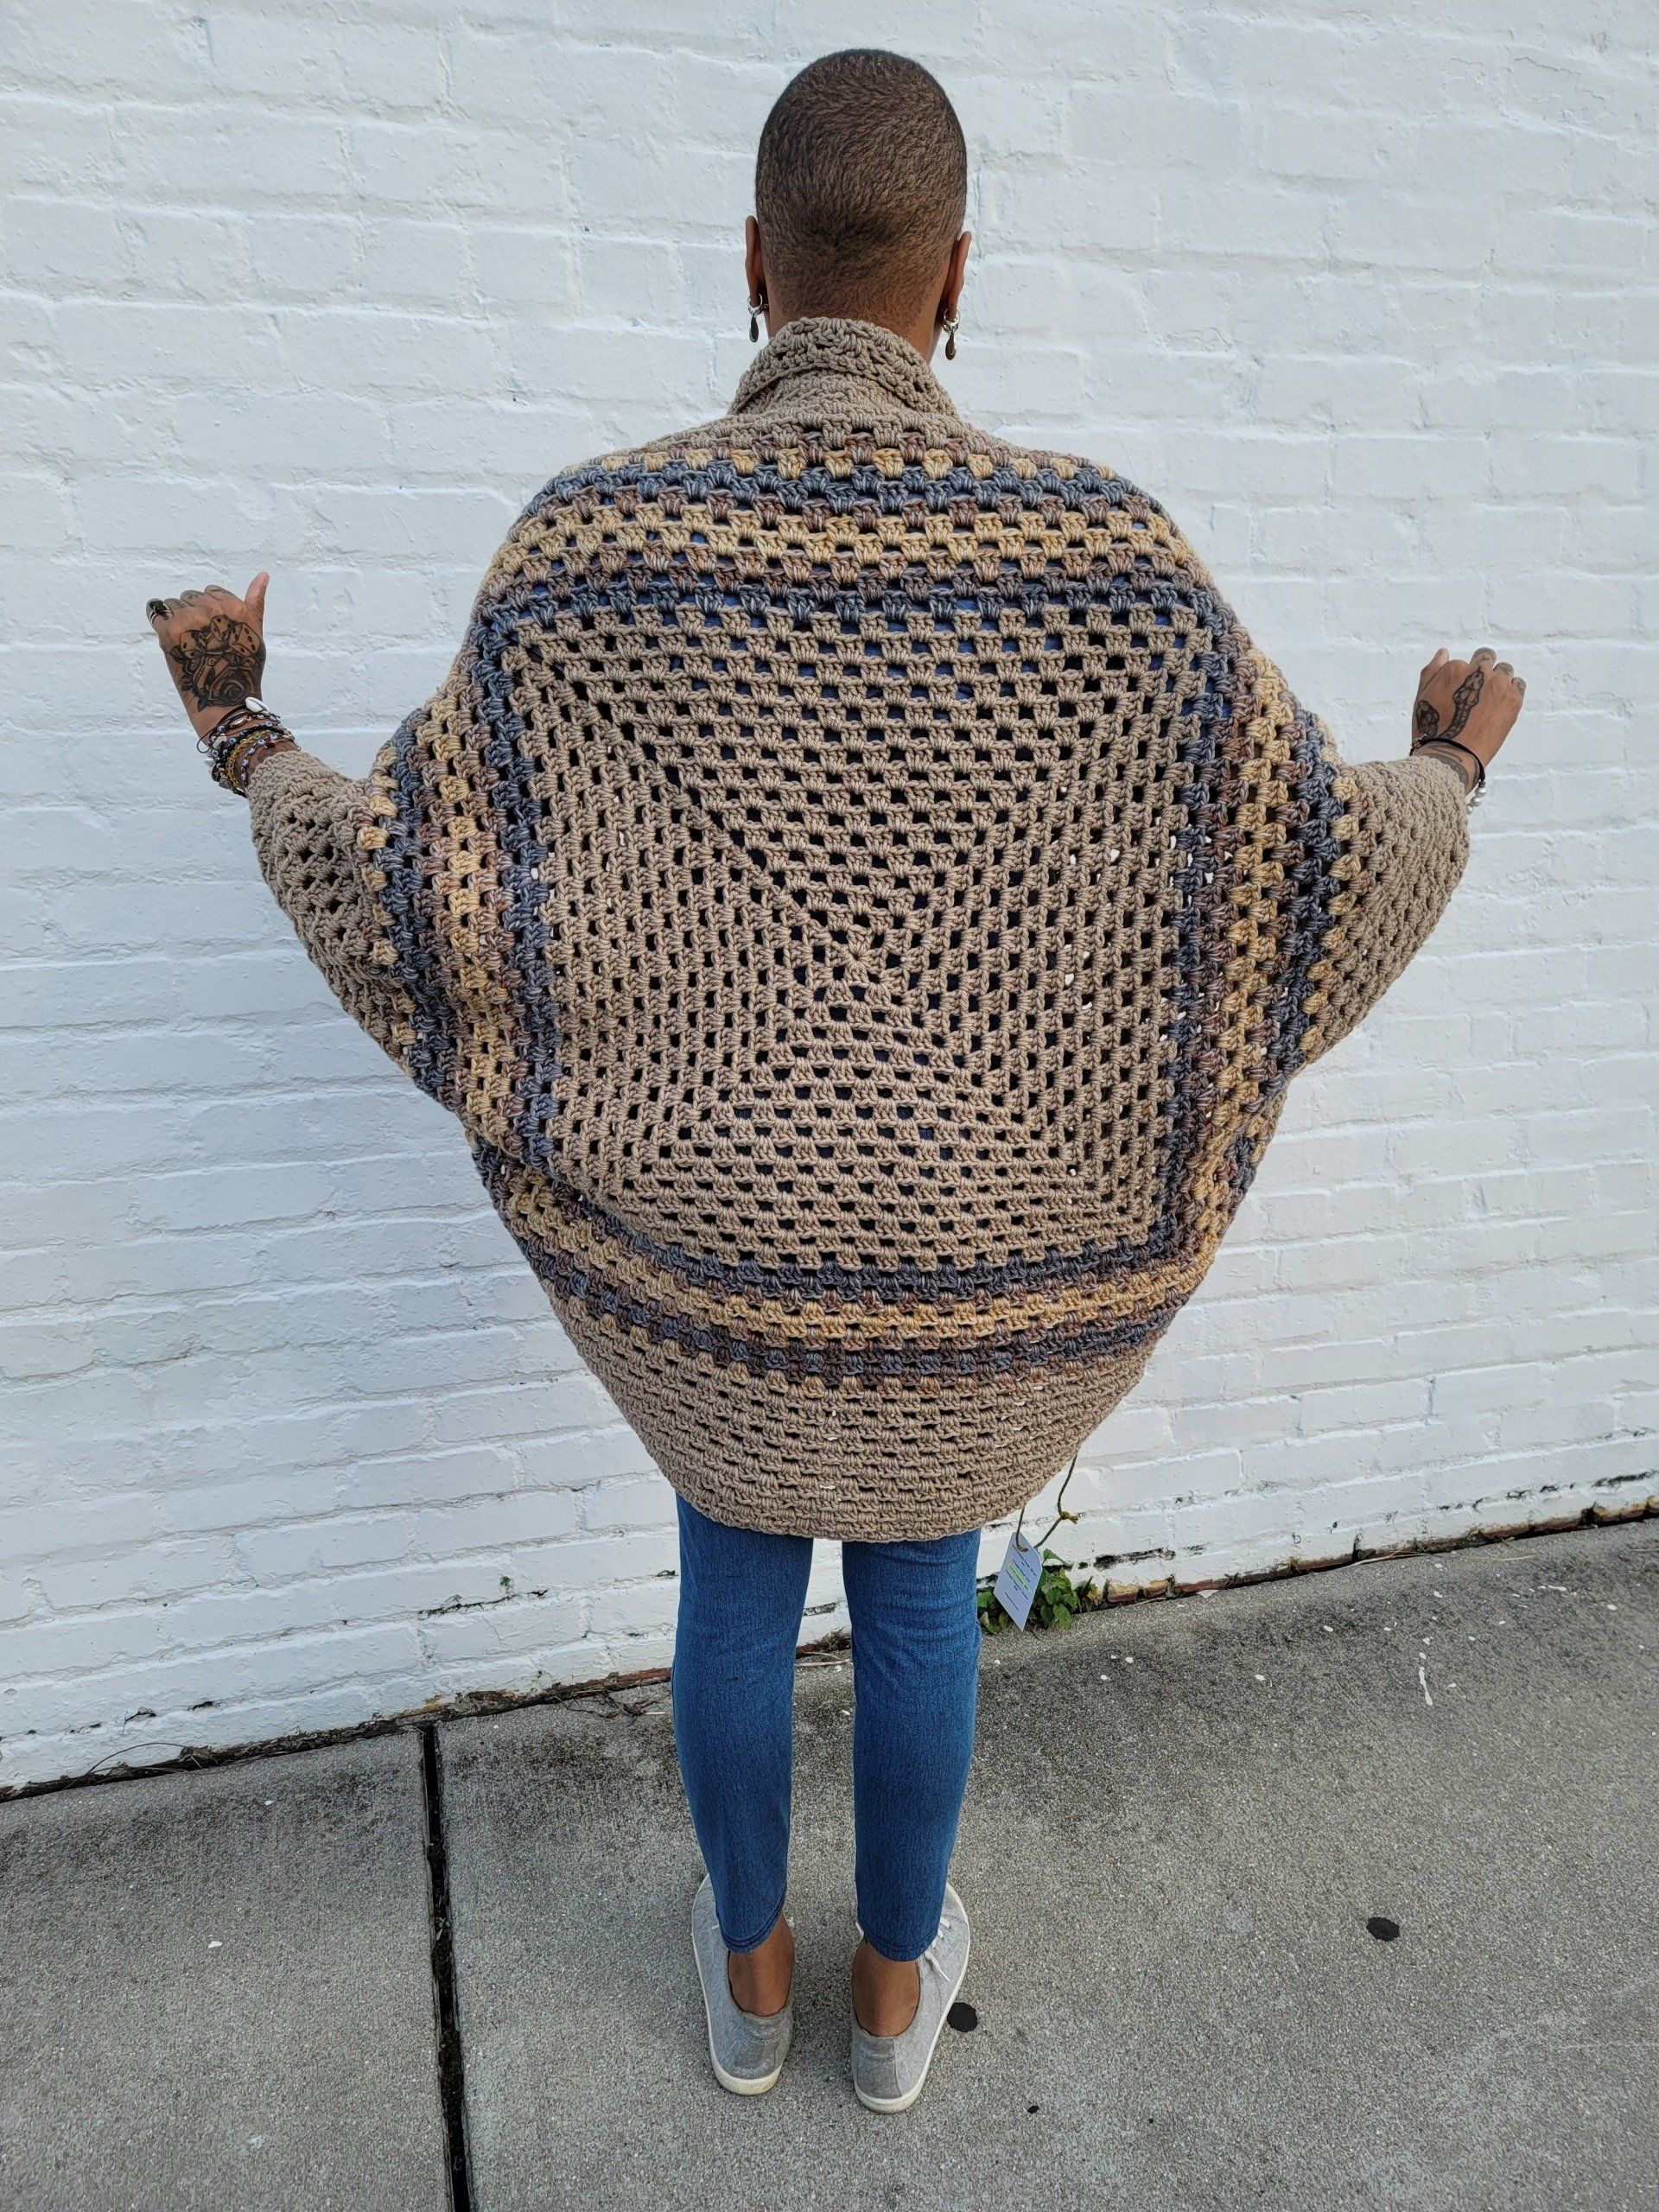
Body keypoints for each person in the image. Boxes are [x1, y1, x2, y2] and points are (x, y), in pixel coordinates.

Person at [145, 48, 1525, 2113]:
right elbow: (1304, 884)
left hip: (705, 1242)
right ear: (954, 278)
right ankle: (892, 2002)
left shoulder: (588, 554)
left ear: (751, 263)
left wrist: (240, 725)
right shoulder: (1112, 563)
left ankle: (745, 1972)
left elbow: (412, 899)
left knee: (729, 1566)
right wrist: (1455, 762)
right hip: (979, 1255)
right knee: (916, 1593)